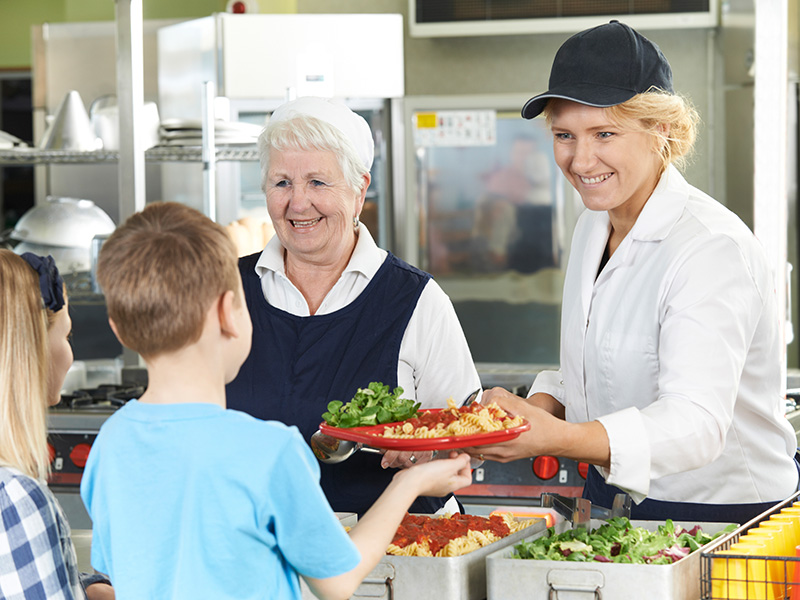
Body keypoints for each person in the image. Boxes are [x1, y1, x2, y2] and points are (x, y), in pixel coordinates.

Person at [466, 20, 800, 524]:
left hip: (726, 521)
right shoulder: (592, 226)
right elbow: (595, 365)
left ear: (659, 128)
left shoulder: (710, 249)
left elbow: (695, 424)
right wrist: (534, 408)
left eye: (604, 133)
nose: (581, 160)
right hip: (616, 507)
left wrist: (555, 438)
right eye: (564, 135)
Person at [80, 202, 472, 600]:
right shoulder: (269, 451)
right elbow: (337, 580)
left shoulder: (112, 442)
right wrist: (410, 483)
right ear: (229, 314)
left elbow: (113, 582)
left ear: (120, 330)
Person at [225, 96, 482, 515]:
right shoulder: (225, 289)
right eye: (282, 183)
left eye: (318, 183)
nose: (298, 203)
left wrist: (425, 453)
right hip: (256, 551)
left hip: (398, 556)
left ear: (360, 189)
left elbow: (467, 440)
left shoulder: (416, 300)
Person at [0, 250, 114, 600]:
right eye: (66, 336)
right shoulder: (16, 500)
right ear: (29, 349)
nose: (70, 354)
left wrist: (92, 589)